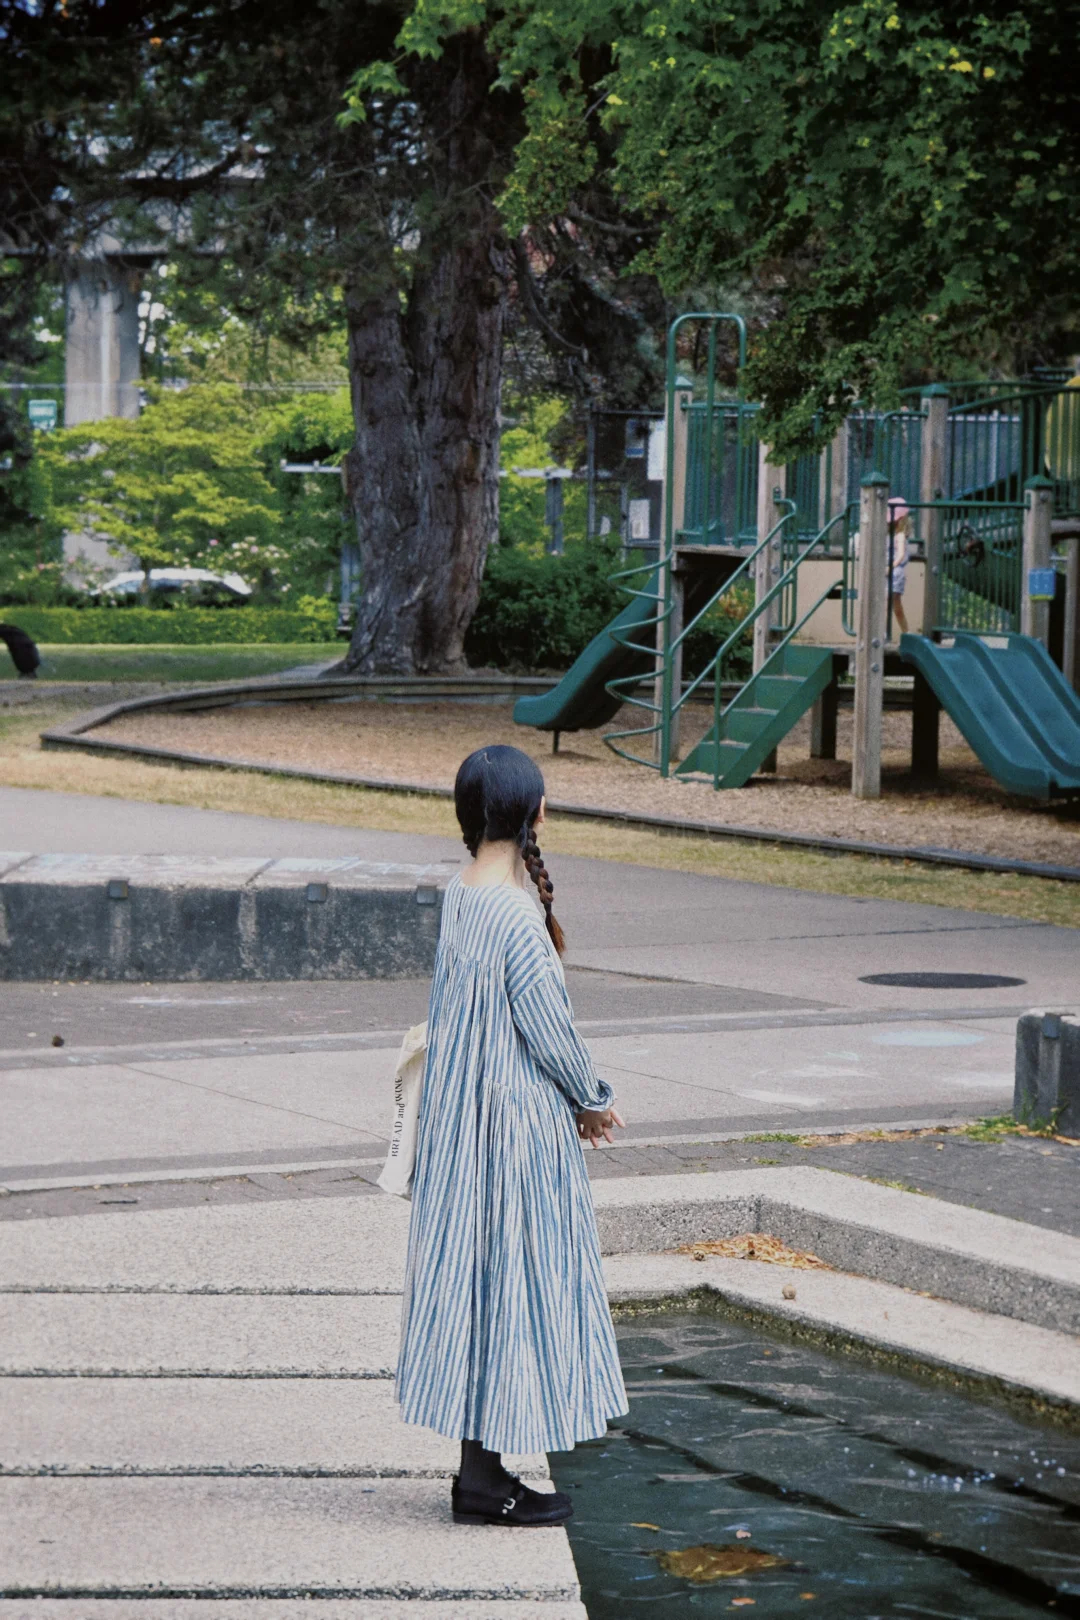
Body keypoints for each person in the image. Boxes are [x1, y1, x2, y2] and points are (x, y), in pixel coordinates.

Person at [395, 743, 628, 1527]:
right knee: (515, 1293)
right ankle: (488, 1485)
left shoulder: (461, 894)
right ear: (535, 814)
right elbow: (550, 1032)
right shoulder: (517, 916)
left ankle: (480, 1475)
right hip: (513, 1134)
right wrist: (593, 1099)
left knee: (478, 1292)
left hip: (464, 1127)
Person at [887, 498, 910, 636]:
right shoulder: (893, 535)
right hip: (890, 571)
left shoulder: (900, 536)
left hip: (895, 572)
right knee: (890, 604)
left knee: (896, 605)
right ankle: (884, 632)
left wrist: (891, 567)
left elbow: (900, 555)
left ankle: (906, 632)